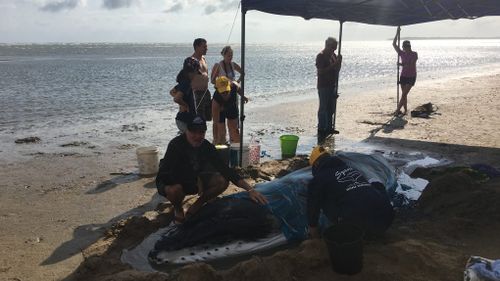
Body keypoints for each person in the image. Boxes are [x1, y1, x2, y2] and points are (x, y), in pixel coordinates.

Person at [155, 115, 267, 224]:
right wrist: (194, 179)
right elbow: (167, 176)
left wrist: (250, 190)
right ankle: (178, 210)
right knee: (175, 190)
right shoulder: (176, 145)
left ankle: (197, 204)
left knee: (222, 180)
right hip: (171, 181)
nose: (198, 136)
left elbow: (226, 170)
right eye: (193, 132)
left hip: (194, 181)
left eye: (201, 132)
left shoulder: (206, 146)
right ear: (186, 131)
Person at [307, 146, 394, 239]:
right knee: (370, 188)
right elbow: (378, 186)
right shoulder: (351, 169)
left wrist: (313, 227)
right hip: (386, 219)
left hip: (355, 225)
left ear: (316, 164)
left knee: (322, 198)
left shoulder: (319, 179)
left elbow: (313, 205)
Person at [210, 46, 243, 144]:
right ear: (223, 55)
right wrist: (222, 82)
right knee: (221, 127)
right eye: (228, 55)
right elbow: (212, 81)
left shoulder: (233, 64)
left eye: (231, 55)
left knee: (233, 126)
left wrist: (236, 82)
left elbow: (243, 73)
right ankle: (220, 142)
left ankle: (234, 144)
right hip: (221, 94)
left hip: (232, 95)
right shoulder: (218, 65)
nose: (230, 57)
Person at [316, 37, 342, 143]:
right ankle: (322, 128)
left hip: (332, 84)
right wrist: (334, 65)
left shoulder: (334, 56)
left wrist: (339, 63)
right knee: (323, 108)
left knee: (331, 108)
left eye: (335, 48)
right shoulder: (321, 56)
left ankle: (329, 127)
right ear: (328, 45)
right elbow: (320, 71)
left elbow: (337, 71)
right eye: (333, 48)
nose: (334, 50)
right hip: (323, 85)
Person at [212, 76, 248, 144]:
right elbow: (215, 123)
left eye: (226, 91)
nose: (225, 94)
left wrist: (244, 97)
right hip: (220, 110)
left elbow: (239, 89)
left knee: (234, 131)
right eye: (222, 92)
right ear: (217, 90)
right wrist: (215, 138)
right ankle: (221, 145)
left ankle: (236, 147)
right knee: (221, 133)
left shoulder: (234, 85)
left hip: (231, 107)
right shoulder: (215, 101)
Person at [392, 26, 418, 116]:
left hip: (411, 76)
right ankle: (405, 110)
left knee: (404, 94)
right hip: (403, 76)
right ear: (403, 47)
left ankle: (397, 111)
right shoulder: (402, 53)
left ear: (410, 46)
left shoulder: (414, 54)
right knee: (404, 94)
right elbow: (394, 44)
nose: (407, 48)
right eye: (405, 47)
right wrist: (397, 33)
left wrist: (401, 65)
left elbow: (411, 64)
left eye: (408, 46)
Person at [190, 38, 212, 122]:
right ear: (197, 47)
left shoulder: (203, 59)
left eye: (206, 46)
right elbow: (187, 78)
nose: (206, 48)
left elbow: (205, 73)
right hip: (196, 94)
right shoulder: (191, 61)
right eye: (204, 47)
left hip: (206, 92)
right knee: (198, 120)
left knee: (207, 118)